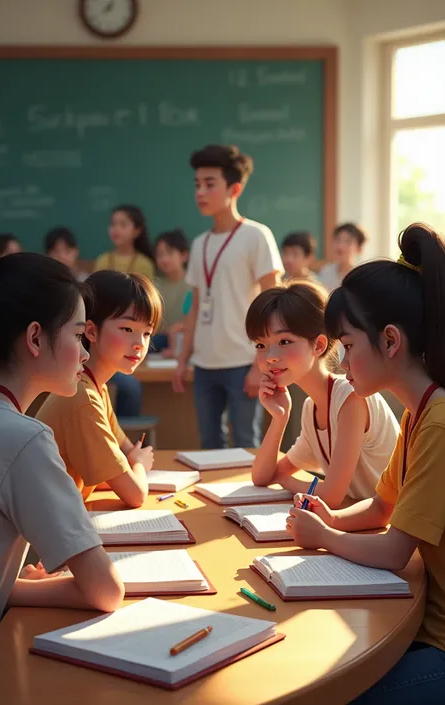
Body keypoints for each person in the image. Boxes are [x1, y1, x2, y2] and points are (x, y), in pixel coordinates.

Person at [287, 223, 445, 704]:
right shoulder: (421, 409)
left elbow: (395, 550)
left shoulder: (437, 421)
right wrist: (332, 518)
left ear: (390, 341)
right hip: (423, 623)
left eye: (349, 347)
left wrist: (325, 537)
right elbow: (380, 508)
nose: (343, 362)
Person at [0, 233, 123, 665]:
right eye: (79, 334)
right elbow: (106, 591)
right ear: (35, 338)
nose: (85, 352)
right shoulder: (23, 439)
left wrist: (19, 586)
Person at [246, 281, 399, 507]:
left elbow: (330, 497)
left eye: (284, 341)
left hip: (393, 532)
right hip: (359, 527)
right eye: (260, 345)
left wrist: (287, 482)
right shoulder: (312, 408)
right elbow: (261, 477)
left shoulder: (351, 397)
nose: (270, 356)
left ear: (318, 345)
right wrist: (280, 419)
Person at [173, 144, 283, 449]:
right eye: (197, 184)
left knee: (247, 444)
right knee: (209, 445)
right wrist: (183, 360)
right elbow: (195, 306)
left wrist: (260, 364)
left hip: (243, 361)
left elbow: (273, 303)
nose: (200, 192)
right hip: (205, 363)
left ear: (234, 188)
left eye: (210, 184)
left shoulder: (256, 236)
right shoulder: (199, 244)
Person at [37, 271, 162, 505]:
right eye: (127, 329)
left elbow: (123, 453)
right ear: (91, 331)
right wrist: (139, 464)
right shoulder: (82, 396)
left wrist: (132, 460)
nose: (140, 343)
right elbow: (135, 494)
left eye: (147, 333)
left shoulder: (96, 387)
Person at [153, 228, 191, 353]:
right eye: (160, 255)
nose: (164, 259)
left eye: (169, 253)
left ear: (184, 255)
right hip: (158, 339)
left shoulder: (193, 283)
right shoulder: (155, 285)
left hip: (185, 338)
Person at [94, 205, 155, 280]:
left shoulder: (144, 264)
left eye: (123, 225)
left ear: (137, 231)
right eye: (113, 224)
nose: (116, 229)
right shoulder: (102, 260)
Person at [318, 222, 366, 291]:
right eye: (338, 240)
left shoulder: (361, 276)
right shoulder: (326, 271)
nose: (340, 246)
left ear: (359, 248)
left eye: (348, 242)